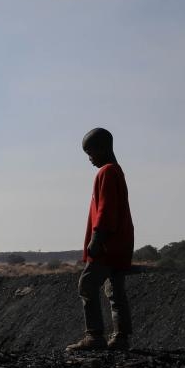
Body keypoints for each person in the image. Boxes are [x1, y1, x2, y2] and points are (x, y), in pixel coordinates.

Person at [67, 127, 134, 352]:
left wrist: (96, 238)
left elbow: (105, 210)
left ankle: (94, 336)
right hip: (121, 244)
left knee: (87, 284)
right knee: (115, 291)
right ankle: (121, 337)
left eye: (91, 152)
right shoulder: (117, 171)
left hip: (107, 245)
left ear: (103, 149)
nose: (89, 159)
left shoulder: (106, 172)